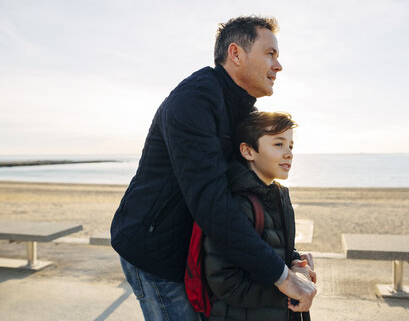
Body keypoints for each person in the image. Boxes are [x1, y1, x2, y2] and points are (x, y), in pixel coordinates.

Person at [110, 16, 316, 321]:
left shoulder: (242, 109)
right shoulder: (193, 100)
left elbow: (246, 194)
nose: (278, 65)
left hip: (195, 251)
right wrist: (282, 276)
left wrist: (289, 258)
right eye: (270, 54)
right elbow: (213, 203)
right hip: (155, 251)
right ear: (235, 53)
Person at [204, 111, 316, 321]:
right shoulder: (236, 204)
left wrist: (295, 260)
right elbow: (225, 282)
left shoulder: (278, 194)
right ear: (248, 151)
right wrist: (290, 285)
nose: (289, 153)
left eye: (291, 146)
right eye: (278, 144)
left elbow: (273, 249)